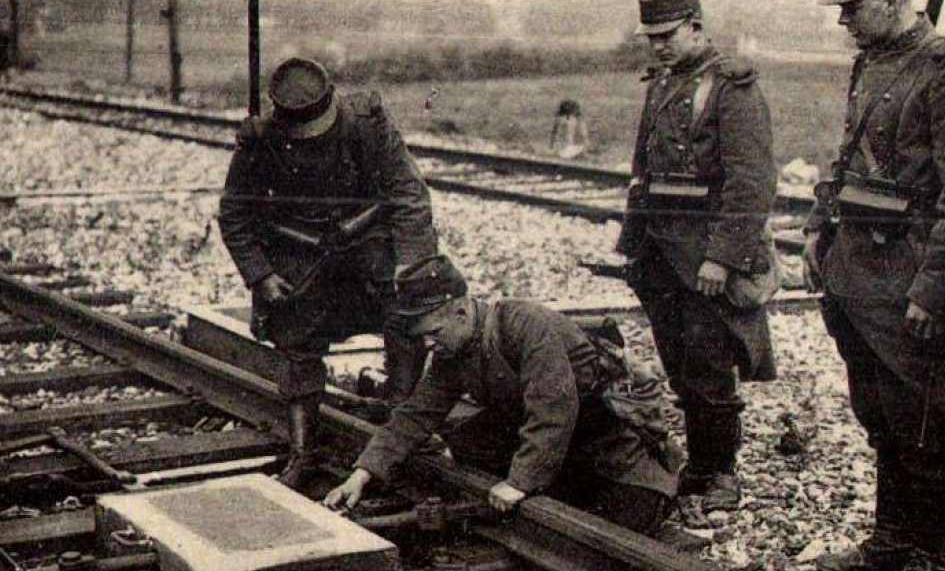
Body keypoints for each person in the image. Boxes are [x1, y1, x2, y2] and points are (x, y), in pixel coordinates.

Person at [804, 0, 945, 571]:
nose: (842, 20)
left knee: (925, 421)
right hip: (856, 273)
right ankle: (889, 538)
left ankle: (931, 560)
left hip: (907, 278)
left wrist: (933, 289)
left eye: (851, 7)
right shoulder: (872, 61)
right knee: (878, 413)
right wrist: (816, 229)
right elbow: (848, 156)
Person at [324, 255, 680, 533]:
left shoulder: (522, 323)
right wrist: (363, 473)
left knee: (636, 512)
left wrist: (519, 482)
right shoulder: (453, 351)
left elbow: (553, 406)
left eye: (433, 332)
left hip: (601, 429)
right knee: (467, 445)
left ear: (461, 310)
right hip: (549, 430)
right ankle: (558, 478)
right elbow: (415, 414)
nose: (429, 344)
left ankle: (568, 479)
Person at [219, 57, 437, 486]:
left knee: (408, 316)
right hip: (301, 257)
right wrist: (261, 275)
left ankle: (405, 433)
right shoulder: (259, 140)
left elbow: (410, 197)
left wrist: (410, 267)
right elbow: (235, 214)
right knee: (295, 335)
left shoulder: (369, 125)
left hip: (370, 249)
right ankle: (303, 453)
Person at [615, 0, 778, 512]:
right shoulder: (664, 81)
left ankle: (720, 473)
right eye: (652, 37)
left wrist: (722, 258)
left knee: (710, 366)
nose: (659, 45)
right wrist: (631, 244)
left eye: (668, 35)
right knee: (679, 362)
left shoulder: (731, 86)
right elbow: (644, 168)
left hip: (704, 256)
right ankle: (701, 465)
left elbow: (751, 182)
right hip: (661, 252)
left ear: (697, 27)